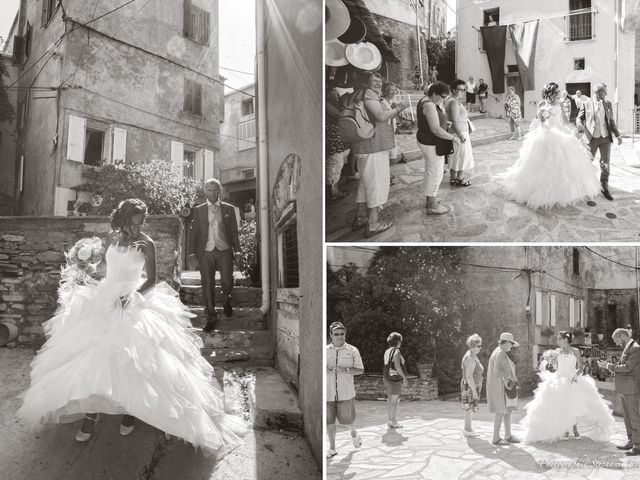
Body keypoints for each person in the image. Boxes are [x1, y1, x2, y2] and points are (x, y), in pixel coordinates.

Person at [18, 199, 247, 452]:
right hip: (104, 298)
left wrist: (132, 295)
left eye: (142, 223)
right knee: (93, 358)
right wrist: (84, 264)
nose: (139, 228)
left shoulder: (147, 244)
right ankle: (91, 414)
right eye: (134, 222)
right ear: (123, 219)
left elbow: (152, 280)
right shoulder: (110, 238)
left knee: (135, 363)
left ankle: (132, 410)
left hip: (134, 301)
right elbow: (105, 269)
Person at [502, 82, 601, 209]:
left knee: (564, 163)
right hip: (545, 134)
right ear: (551, 93)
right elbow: (538, 119)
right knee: (542, 164)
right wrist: (542, 121)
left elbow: (565, 121)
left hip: (559, 132)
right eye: (557, 92)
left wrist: (574, 129)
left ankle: (562, 192)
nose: (559, 93)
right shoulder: (542, 104)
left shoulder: (559, 104)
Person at [521, 331, 614, 443]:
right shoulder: (557, 352)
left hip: (572, 379)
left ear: (566, 339)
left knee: (574, 405)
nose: (557, 341)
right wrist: (552, 361)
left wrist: (575, 376)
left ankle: (574, 428)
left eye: (559, 338)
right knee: (562, 405)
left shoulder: (576, 351)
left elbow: (580, 368)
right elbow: (556, 367)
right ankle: (565, 429)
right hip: (559, 379)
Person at [350, 72, 409, 238]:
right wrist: (399, 108)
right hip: (372, 146)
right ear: (366, 82)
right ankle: (373, 223)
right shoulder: (369, 94)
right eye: (374, 80)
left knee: (365, 183)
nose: (378, 83)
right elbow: (381, 116)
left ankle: (361, 217)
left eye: (379, 80)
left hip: (366, 146)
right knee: (376, 183)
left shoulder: (361, 94)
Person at [189, 178, 240, 332]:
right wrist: (192, 252)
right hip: (205, 252)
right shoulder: (198, 210)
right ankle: (211, 317)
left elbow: (233, 232)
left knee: (226, 281)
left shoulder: (229, 209)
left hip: (224, 250)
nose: (212, 193)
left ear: (220, 191)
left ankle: (226, 300)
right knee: (207, 284)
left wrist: (237, 250)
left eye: (215, 190)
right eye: (209, 190)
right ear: (205, 191)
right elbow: (195, 232)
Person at [416, 81, 461, 215]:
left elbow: (430, 121)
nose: (443, 100)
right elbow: (435, 130)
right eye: (442, 97)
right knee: (435, 173)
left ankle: (431, 199)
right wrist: (453, 138)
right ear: (434, 94)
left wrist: (443, 122)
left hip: (425, 140)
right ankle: (432, 205)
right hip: (431, 143)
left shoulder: (424, 100)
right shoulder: (430, 105)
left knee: (430, 171)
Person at [576, 82, 623, 201]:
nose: (606, 93)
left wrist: (618, 135)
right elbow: (579, 117)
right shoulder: (586, 103)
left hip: (605, 138)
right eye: (604, 91)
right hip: (591, 137)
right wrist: (579, 124)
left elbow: (611, 121)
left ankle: (604, 187)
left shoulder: (607, 104)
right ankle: (584, 186)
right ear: (597, 92)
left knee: (605, 163)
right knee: (587, 162)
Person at [597, 328, 640, 454]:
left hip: (631, 389)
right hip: (624, 388)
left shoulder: (636, 348)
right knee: (627, 418)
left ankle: (637, 445)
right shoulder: (629, 347)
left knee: (634, 417)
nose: (616, 343)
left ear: (622, 336)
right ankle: (631, 441)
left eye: (616, 340)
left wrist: (608, 366)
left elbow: (627, 367)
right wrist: (609, 365)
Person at [326, 322, 364, 459]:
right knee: (329, 422)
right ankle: (332, 448)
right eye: (336, 334)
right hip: (328, 393)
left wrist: (345, 370)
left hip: (345, 393)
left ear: (345, 334)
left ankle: (353, 432)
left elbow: (360, 370)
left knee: (347, 421)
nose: (339, 337)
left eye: (342, 334)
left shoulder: (352, 350)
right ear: (331, 335)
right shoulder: (324, 351)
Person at [486, 332, 520, 445]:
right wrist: (507, 378)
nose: (511, 346)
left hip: (501, 386)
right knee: (500, 412)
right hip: (500, 386)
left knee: (507, 411)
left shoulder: (499, 351)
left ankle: (508, 435)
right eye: (511, 343)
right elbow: (497, 370)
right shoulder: (500, 353)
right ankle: (496, 438)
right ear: (506, 342)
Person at [445, 79, 475, 186]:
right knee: (463, 156)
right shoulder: (453, 101)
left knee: (456, 156)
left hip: (457, 132)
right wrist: (461, 135)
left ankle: (453, 178)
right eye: (460, 89)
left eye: (464, 89)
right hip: (459, 133)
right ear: (453, 89)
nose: (462, 92)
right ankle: (460, 178)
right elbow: (453, 120)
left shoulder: (452, 100)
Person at [326, 85, 351, 201]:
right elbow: (340, 115)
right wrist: (344, 103)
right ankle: (332, 193)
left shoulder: (333, 104)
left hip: (337, 139)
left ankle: (334, 190)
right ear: (328, 94)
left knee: (337, 163)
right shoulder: (326, 104)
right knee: (333, 164)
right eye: (334, 93)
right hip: (332, 139)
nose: (337, 95)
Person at [383, 332, 409, 429]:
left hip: (386, 378)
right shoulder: (397, 352)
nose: (401, 343)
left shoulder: (387, 351)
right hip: (394, 379)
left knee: (390, 400)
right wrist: (404, 377)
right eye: (400, 341)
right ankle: (393, 422)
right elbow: (398, 366)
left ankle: (390, 421)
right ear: (397, 341)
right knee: (394, 401)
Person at [461, 334, 484, 437]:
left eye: (480, 345)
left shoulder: (472, 355)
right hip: (470, 385)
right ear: (473, 345)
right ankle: (467, 429)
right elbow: (469, 376)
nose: (480, 348)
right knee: (469, 407)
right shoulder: (470, 357)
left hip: (472, 385)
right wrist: (474, 390)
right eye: (478, 346)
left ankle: (468, 428)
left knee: (470, 407)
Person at [381, 82, 406, 165]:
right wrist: (397, 109)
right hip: (385, 133)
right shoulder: (382, 102)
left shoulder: (389, 102)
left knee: (392, 155)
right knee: (388, 156)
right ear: (385, 91)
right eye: (391, 90)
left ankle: (387, 173)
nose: (393, 92)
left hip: (391, 133)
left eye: (394, 90)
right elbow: (385, 116)